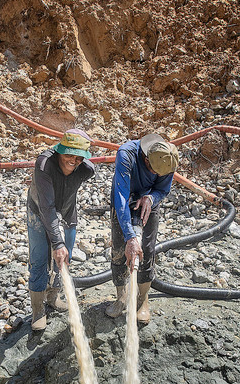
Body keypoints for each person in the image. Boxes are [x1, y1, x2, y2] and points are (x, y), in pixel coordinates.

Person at [27, 129, 96, 331]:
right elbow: (47, 207)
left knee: (65, 259)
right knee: (39, 259)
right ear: (59, 151)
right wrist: (57, 243)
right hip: (39, 211)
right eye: (67, 155)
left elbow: (69, 190)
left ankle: (53, 297)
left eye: (78, 158)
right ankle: (38, 310)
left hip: (67, 213)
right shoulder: (44, 165)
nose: (72, 161)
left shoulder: (86, 170)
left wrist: (61, 244)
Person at [108, 132, 179, 324]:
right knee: (119, 249)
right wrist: (130, 237)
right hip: (123, 195)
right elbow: (121, 197)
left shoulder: (167, 160)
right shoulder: (127, 154)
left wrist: (151, 198)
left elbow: (163, 189)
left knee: (146, 249)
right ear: (146, 157)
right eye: (152, 170)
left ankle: (142, 300)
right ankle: (121, 296)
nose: (156, 175)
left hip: (148, 200)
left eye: (160, 174)